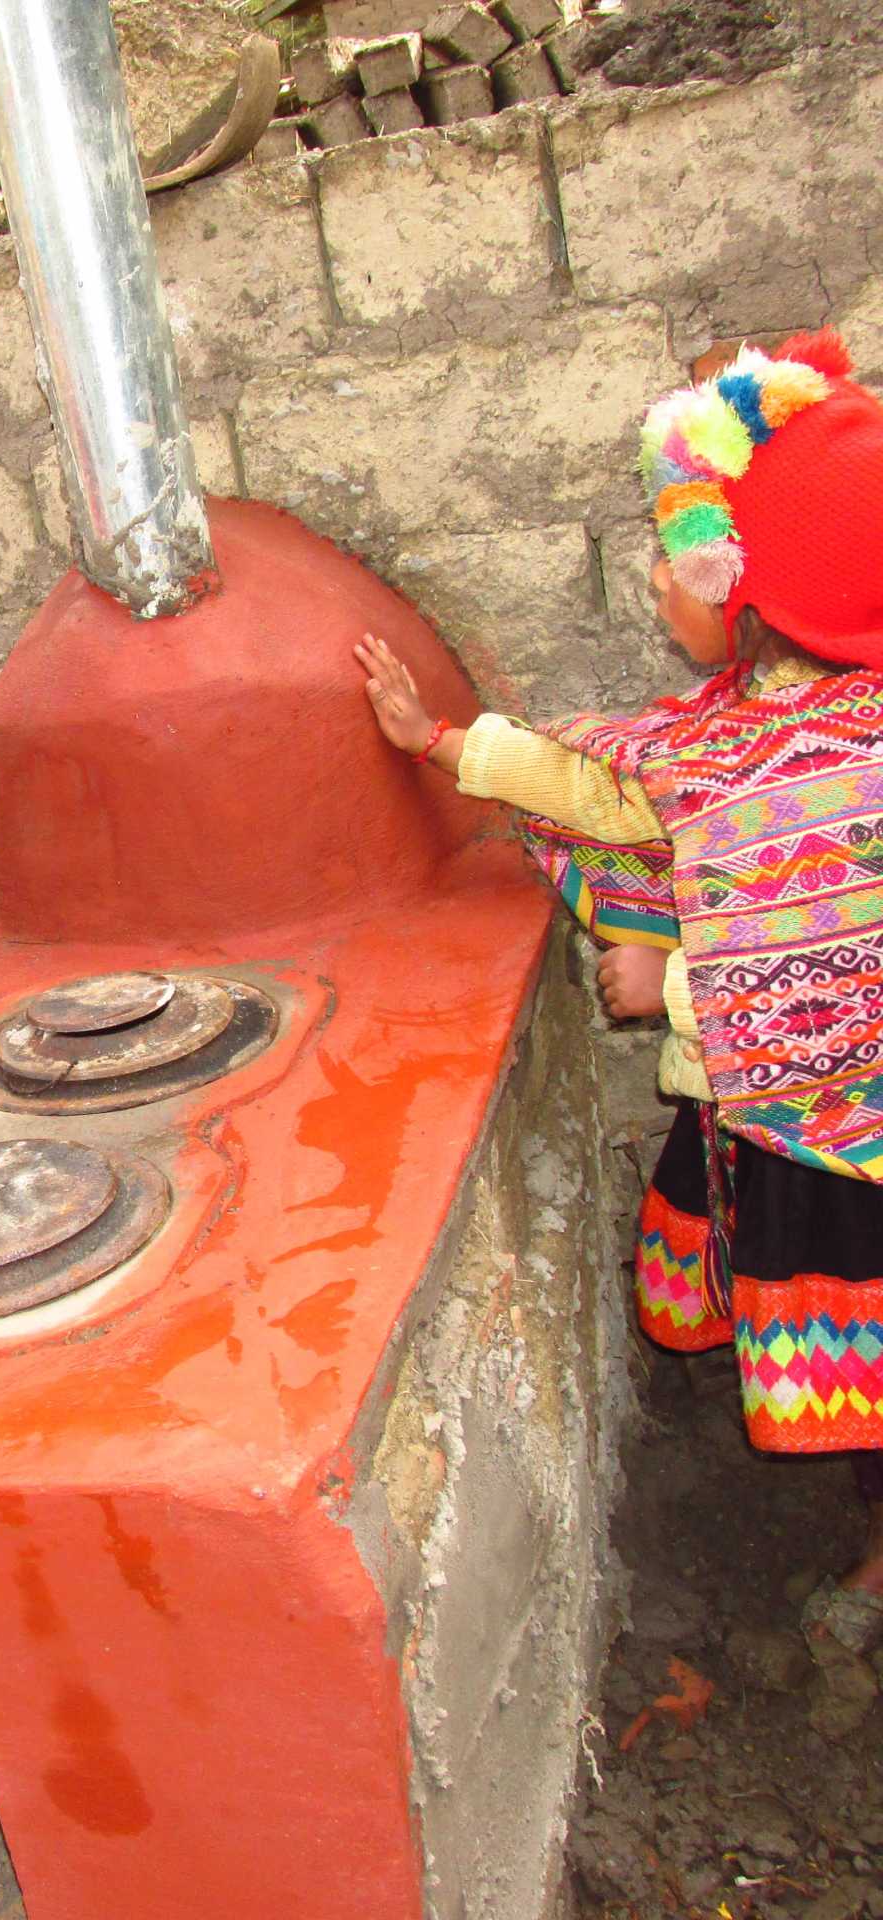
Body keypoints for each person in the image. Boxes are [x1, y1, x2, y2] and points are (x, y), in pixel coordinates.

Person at [357, 327, 883, 1667]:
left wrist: (679, 981)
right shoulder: (735, 736)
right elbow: (614, 792)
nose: (658, 576)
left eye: (681, 553)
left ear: (759, 592)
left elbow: (841, 978)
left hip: (847, 1155)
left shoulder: (836, 763)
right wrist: (448, 744)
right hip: (774, 1134)